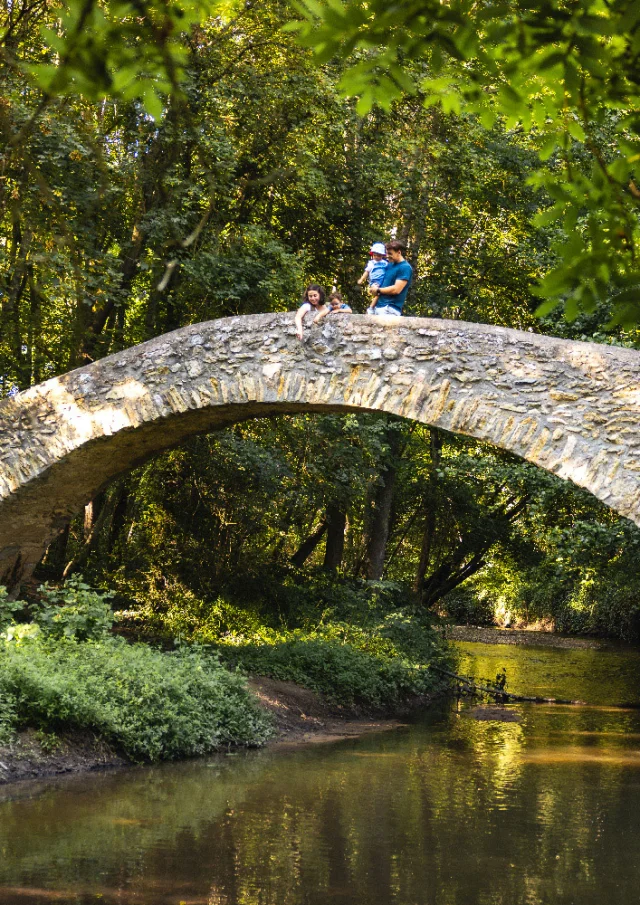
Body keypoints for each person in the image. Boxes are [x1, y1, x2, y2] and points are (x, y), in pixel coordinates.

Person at [366, 240, 413, 316]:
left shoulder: (405, 267)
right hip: (378, 307)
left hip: (390, 309)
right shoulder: (389, 265)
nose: (387, 256)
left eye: (390, 253)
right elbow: (378, 278)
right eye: (387, 253)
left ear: (399, 252)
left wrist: (378, 290)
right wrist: (374, 285)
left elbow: (396, 290)